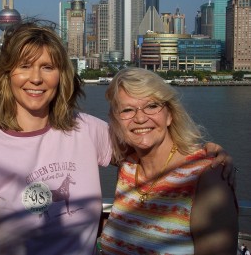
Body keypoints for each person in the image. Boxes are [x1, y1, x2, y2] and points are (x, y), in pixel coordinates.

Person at [0, 20, 233, 255]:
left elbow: (148, 142)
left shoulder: (86, 129)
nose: (36, 78)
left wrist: (207, 157)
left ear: (61, 76)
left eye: (48, 67)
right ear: (6, 75)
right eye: (24, 66)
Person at [100, 67, 238, 254]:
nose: (140, 118)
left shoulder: (207, 177)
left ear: (170, 115)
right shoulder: (128, 168)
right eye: (127, 110)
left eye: (152, 106)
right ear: (116, 121)